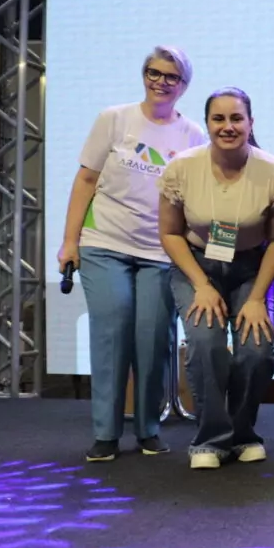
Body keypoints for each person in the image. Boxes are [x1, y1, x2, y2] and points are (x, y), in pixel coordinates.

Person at [60, 46, 207, 462]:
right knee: (111, 331)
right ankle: (106, 433)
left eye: (170, 77)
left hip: (161, 251)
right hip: (104, 243)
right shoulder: (114, 118)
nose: (160, 81)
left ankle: (147, 428)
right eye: (153, 72)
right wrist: (69, 241)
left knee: (154, 338)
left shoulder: (192, 134)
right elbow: (86, 180)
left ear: (184, 86)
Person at [158, 87, 274, 470]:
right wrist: (201, 284)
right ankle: (211, 440)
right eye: (219, 118)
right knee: (204, 344)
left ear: (251, 123)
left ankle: (243, 433)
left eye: (237, 118)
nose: (228, 126)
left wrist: (256, 298)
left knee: (256, 350)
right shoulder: (181, 168)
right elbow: (169, 233)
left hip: (254, 268)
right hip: (197, 266)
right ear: (207, 123)